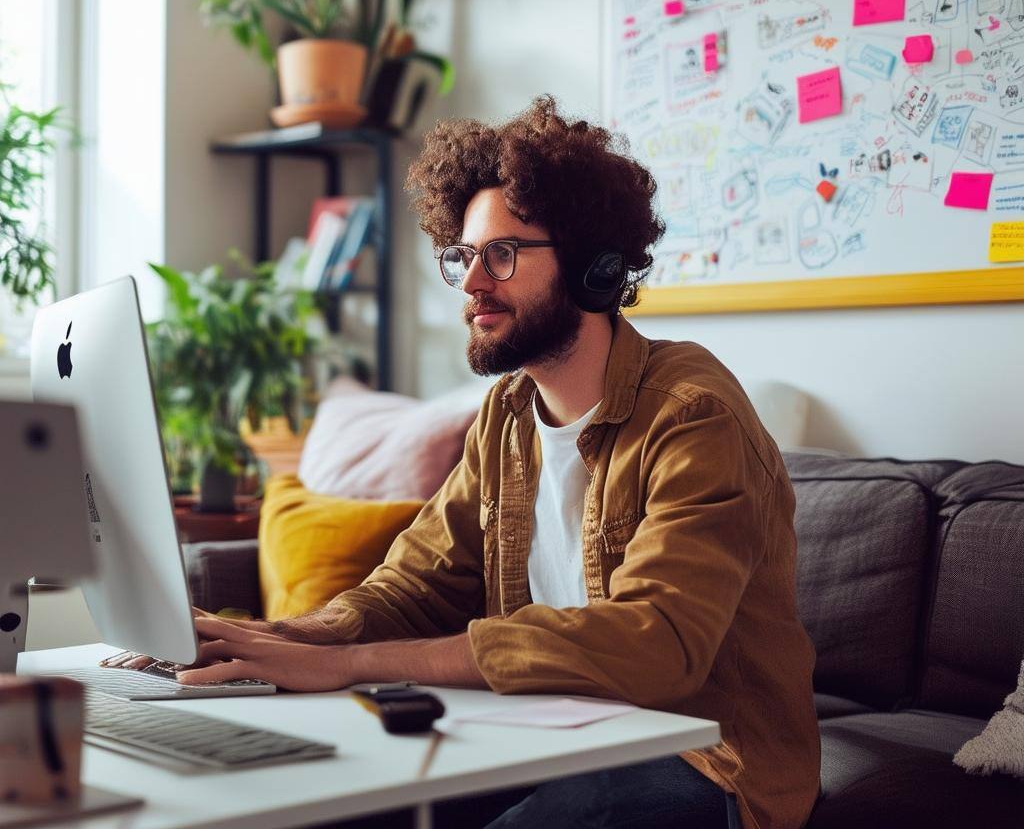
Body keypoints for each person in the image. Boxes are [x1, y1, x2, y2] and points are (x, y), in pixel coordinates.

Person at [111, 97, 821, 828]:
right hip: (548, 733)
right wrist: (284, 640)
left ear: (592, 267)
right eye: (463, 256)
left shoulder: (692, 413)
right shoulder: (507, 416)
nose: (474, 282)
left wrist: (353, 664)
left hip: (707, 762)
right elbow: (414, 586)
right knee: (312, 802)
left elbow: (656, 644)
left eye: (503, 254)